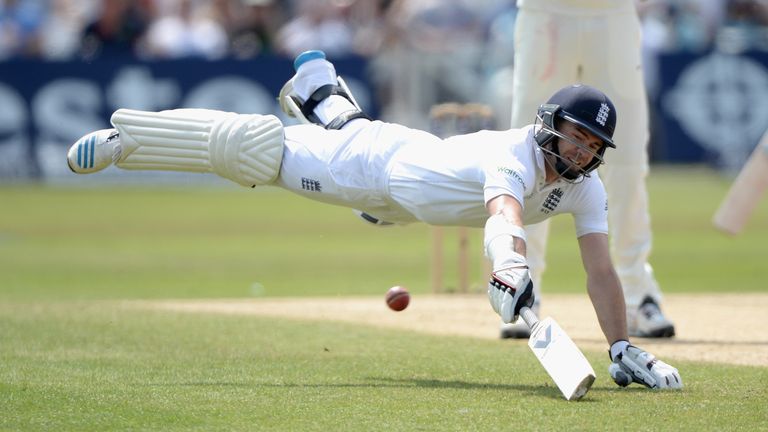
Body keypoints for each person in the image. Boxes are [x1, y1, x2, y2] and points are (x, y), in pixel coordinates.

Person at [66, 50, 682, 390]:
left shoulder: (586, 189)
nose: (582, 154)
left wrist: (621, 346)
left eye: (593, 146)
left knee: (347, 133)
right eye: (576, 138)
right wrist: (512, 265)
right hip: (377, 171)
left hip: (402, 203)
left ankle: (319, 88)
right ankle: (130, 140)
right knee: (252, 151)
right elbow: (504, 213)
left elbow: (600, 270)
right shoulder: (513, 155)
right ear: (552, 127)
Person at [500, 0, 676, 340]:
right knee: (529, 151)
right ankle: (522, 286)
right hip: (545, 13)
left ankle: (638, 296)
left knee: (626, 161)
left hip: (613, 15)